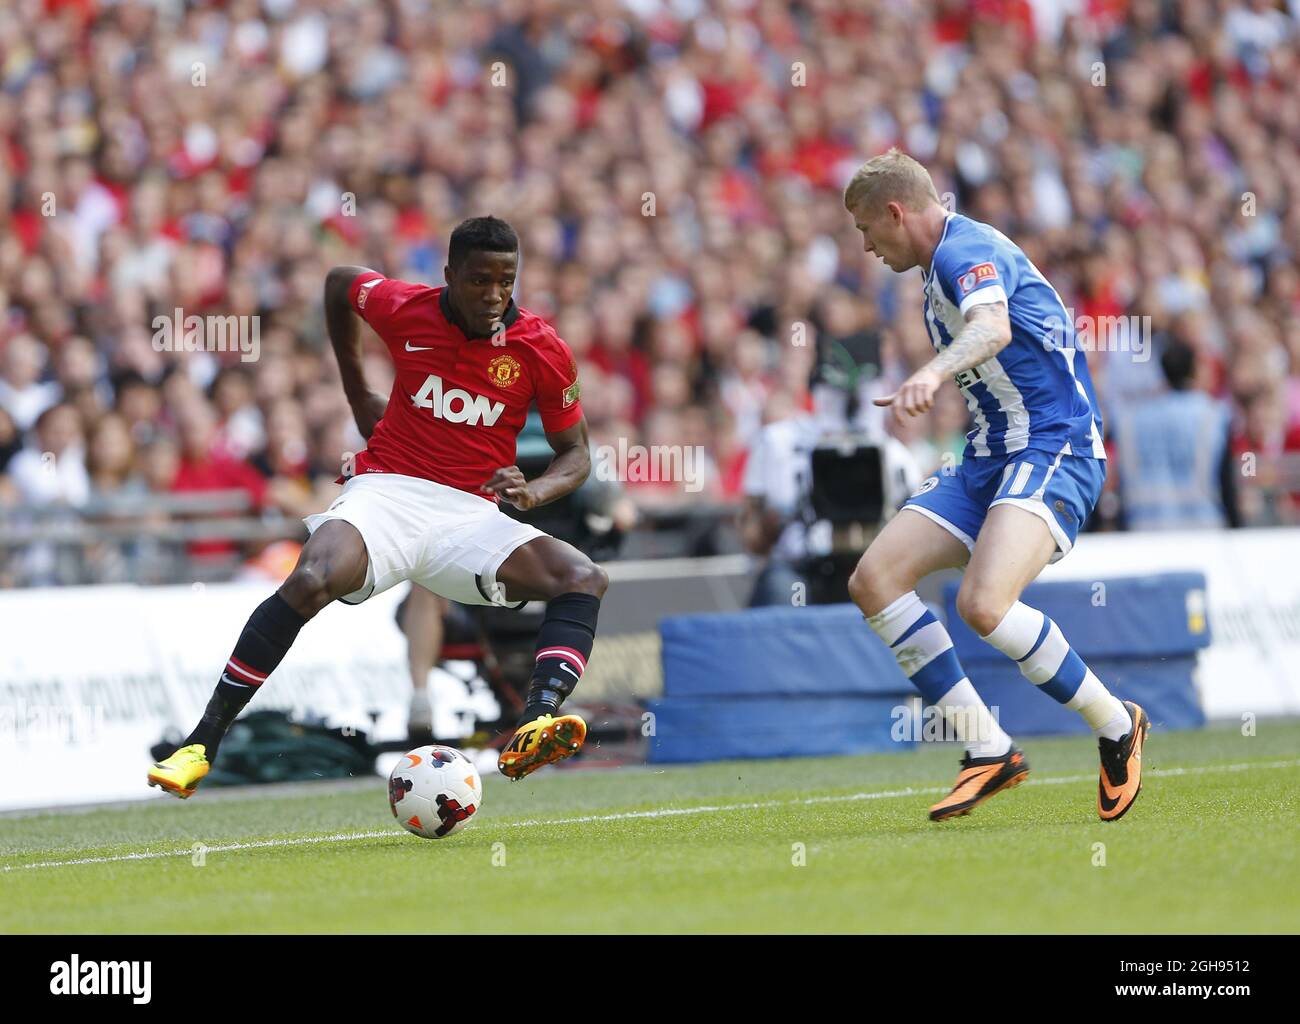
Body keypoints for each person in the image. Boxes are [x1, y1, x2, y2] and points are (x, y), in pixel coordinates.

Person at [149, 216, 608, 801]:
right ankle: (200, 743)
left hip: (471, 514)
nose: (493, 295)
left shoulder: (541, 349)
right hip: (387, 492)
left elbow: (576, 456)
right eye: (478, 280)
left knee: (583, 577)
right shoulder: (404, 306)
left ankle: (536, 721)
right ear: (449, 275)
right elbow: (341, 282)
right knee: (313, 575)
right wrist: (355, 388)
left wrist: (534, 493)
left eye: (506, 281)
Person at [841, 150, 1149, 823]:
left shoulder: (965, 250)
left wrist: (931, 374)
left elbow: (992, 326)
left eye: (868, 230)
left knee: (983, 603)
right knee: (874, 579)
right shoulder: (936, 266)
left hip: (1055, 444)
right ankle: (988, 750)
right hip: (991, 455)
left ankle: (1117, 723)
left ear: (897, 211)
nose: (866, 247)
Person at [1113, 339, 1238, 529]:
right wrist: (1237, 528)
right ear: (1194, 370)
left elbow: (1121, 482)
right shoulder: (1213, 416)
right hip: (1203, 529)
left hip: (1143, 530)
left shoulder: (1131, 419)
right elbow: (1227, 484)